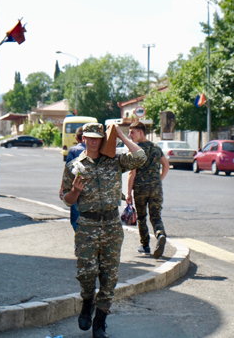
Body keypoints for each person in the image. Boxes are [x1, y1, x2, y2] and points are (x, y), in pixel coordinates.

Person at [61, 123, 146, 338]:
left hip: (111, 226)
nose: (93, 141)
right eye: (89, 137)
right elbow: (66, 199)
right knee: (86, 274)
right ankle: (87, 302)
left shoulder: (115, 161)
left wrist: (119, 134)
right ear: (83, 139)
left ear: (102, 139)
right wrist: (74, 192)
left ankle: (100, 321)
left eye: (97, 138)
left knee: (109, 277)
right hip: (87, 227)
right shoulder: (74, 165)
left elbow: (141, 156)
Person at [126, 121, 170, 259]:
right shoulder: (156, 148)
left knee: (141, 217)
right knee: (156, 216)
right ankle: (160, 233)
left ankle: (145, 245)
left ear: (141, 132)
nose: (129, 135)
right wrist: (158, 180)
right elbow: (166, 165)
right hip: (156, 187)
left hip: (140, 188)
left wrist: (128, 194)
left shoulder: (136, 149)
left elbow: (132, 173)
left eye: (132, 132)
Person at [59, 126, 86, 231]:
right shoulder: (93, 150)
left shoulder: (73, 150)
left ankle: (79, 237)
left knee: (75, 214)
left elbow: (68, 170)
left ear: (76, 138)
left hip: (75, 185)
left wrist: (62, 187)